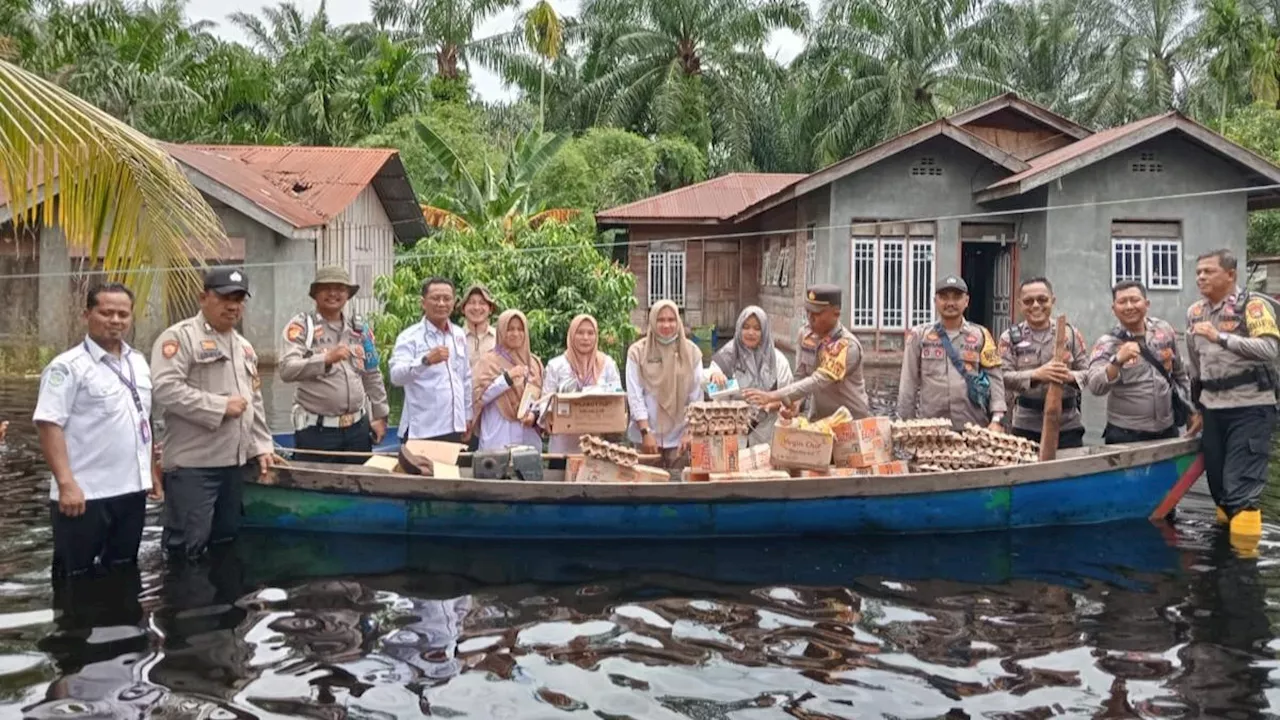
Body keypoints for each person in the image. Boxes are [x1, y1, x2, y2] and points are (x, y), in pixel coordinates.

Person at [33, 283, 162, 578]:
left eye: (122, 314)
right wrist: (66, 484)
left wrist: (152, 470)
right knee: (74, 578)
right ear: (86, 315)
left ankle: (124, 623)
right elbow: (49, 424)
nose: (115, 320)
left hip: (131, 491)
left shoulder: (138, 362)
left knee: (123, 570)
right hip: (85, 495)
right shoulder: (67, 367)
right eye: (106, 313)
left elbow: (144, 416)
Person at [151, 268, 273, 561]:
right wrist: (219, 407)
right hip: (194, 467)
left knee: (226, 543)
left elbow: (254, 400)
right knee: (187, 550)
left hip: (233, 464)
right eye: (224, 298)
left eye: (239, 299)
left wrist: (262, 446)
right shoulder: (179, 338)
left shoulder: (243, 347)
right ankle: (182, 605)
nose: (233, 306)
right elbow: (165, 389)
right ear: (203, 298)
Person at [1185, 249, 1279, 538]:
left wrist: (1221, 337)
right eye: (1198, 271)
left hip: (1251, 407)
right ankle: (1222, 562)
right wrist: (1197, 409)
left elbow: (1269, 349)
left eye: (1208, 271)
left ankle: (1243, 574)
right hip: (1213, 408)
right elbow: (1195, 363)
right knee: (1219, 487)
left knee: (1241, 488)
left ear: (1230, 274)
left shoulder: (1253, 306)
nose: (1201, 276)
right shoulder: (1195, 312)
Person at [278, 266, 390, 462]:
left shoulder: (360, 329)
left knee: (361, 485)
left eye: (339, 288)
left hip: (358, 429)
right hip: (316, 431)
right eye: (326, 288)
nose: (333, 293)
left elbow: (372, 373)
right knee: (315, 488)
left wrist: (381, 416)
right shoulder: (302, 326)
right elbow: (287, 370)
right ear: (315, 294)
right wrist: (325, 359)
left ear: (347, 294)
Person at [742, 285, 871, 423]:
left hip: (851, 422)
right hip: (819, 420)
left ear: (836, 313)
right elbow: (801, 375)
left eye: (817, 313)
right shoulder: (805, 335)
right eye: (808, 312)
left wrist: (772, 396)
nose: (810, 318)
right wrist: (794, 403)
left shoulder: (846, 345)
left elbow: (817, 381)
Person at [1085, 281, 1191, 446]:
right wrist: (1117, 361)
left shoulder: (1164, 331)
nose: (1129, 306)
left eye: (1135, 300)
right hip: (1125, 434)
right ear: (1113, 309)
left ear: (1147, 304)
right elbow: (1095, 386)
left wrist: (1192, 410)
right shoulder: (1107, 343)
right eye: (1122, 302)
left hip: (1167, 430)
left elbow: (1180, 375)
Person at [897, 275, 1006, 431]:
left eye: (956, 297)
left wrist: (996, 419)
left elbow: (995, 379)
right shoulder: (919, 336)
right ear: (935, 301)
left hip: (973, 428)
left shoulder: (981, 335)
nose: (950, 303)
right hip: (931, 429)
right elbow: (908, 383)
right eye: (944, 297)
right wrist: (905, 424)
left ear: (966, 301)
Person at [998, 277, 1089, 448]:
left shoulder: (1070, 334)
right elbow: (1001, 377)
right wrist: (1035, 375)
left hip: (1067, 424)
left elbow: (1089, 374)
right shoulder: (1009, 338)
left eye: (1042, 300)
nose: (1035, 306)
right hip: (1026, 425)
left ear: (1052, 300)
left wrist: (1069, 376)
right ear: (1020, 304)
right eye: (1028, 301)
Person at [389, 277, 473, 443]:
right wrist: (425, 361)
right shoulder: (409, 337)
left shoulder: (459, 334)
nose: (441, 303)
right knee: (422, 470)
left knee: (450, 470)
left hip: (455, 428)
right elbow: (396, 377)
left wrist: (467, 416)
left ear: (454, 302)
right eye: (435, 298)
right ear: (423, 302)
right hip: (422, 430)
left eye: (447, 299)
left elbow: (465, 379)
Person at [625, 300, 704, 469]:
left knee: (679, 489)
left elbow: (696, 397)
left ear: (678, 321)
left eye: (671, 319)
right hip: (646, 436)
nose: (666, 325)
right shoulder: (637, 352)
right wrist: (646, 432)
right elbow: (635, 396)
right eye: (660, 320)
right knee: (646, 488)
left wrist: (690, 432)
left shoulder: (691, 353)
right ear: (652, 321)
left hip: (680, 437)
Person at [541, 314, 623, 454]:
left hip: (598, 448)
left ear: (596, 336)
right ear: (572, 335)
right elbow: (545, 400)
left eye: (590, 333)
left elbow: (617, 398)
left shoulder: (607, 364)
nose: (585, 338)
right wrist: (548, 416)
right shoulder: (556, 365)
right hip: (563, 447)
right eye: (580, 332)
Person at [713, 306, 794, 445]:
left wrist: (771, 404)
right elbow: (711, 391)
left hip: (766, 434)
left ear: (765, 331)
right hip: (733, 436)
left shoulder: (777, 360)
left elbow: (790, 397)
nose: (751, 333)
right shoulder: (728, 355)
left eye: (757, 328)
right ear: (739, 328)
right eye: (746, 327)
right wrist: (715, 376)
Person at [471, 309, 545, 451]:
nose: (516, 334)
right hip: (498, 432)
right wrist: (506, 379)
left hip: (527, 435)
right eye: (510, 329)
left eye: (520, 329)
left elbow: (542, 397)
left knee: (527, 470)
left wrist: (534, 415)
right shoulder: (488, 361)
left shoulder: (534, 363)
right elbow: (479, 398)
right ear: (501, 331)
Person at [461, 284, 498, 369]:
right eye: (471, 302)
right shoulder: (455, 338)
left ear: (490, 309)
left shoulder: (499, 338)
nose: (477, 308)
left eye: (482, 303)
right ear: (463, 309)